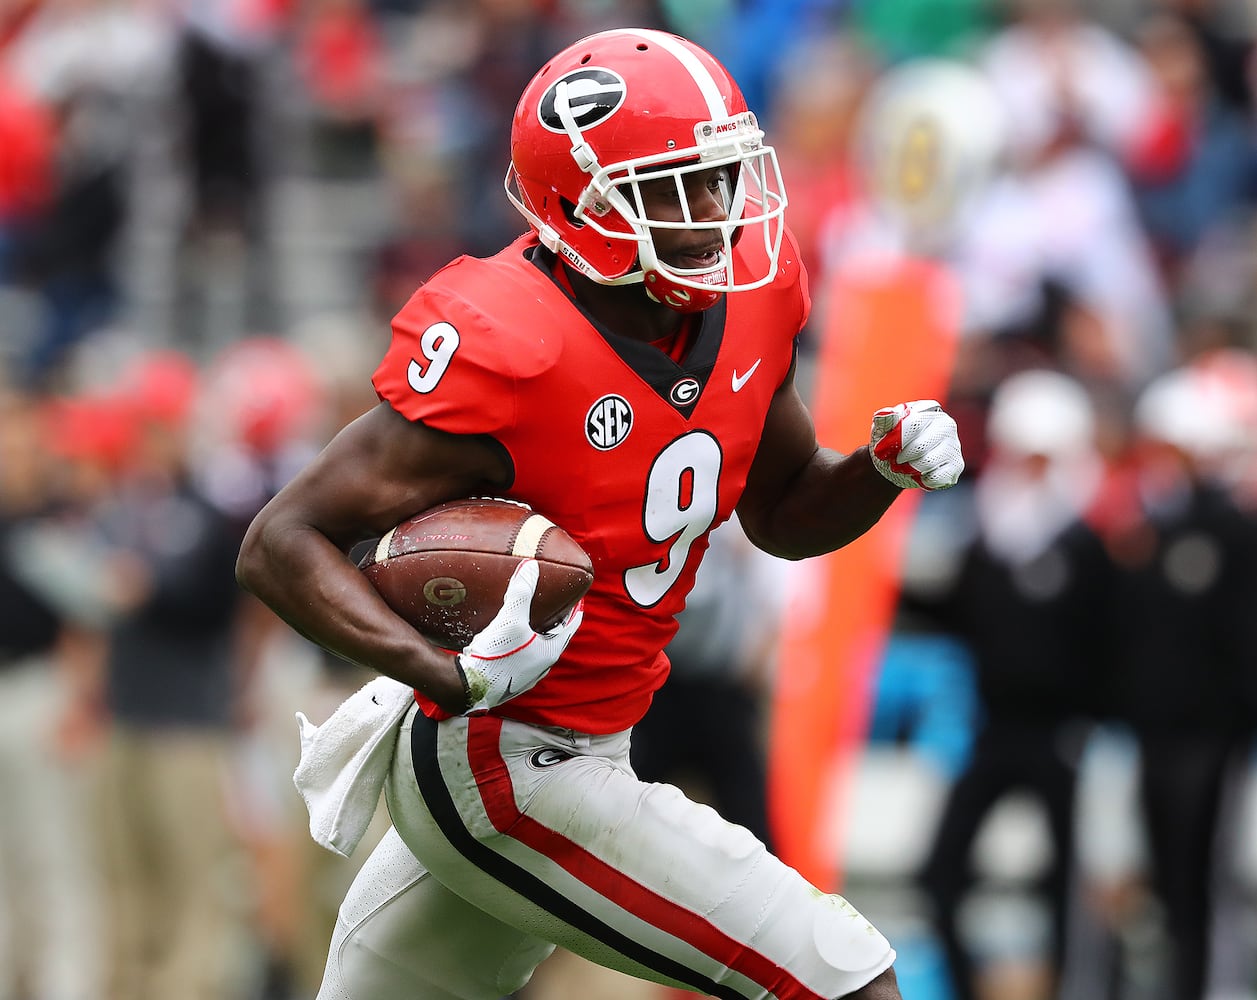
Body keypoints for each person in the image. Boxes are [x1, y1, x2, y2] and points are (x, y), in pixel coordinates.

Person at [236, 27, 964, 1000]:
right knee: (847, 977)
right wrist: (439, 670)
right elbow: (281, 541)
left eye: (718, 177)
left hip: (591, 739)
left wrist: (878, 469)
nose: (712, 212)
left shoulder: (747, 298)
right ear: (580, 205)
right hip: (505, 761)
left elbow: (783, 515)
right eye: (672, 188)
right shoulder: (512, 338)